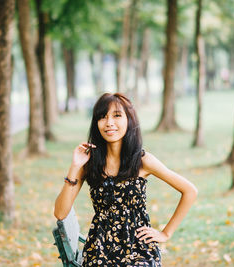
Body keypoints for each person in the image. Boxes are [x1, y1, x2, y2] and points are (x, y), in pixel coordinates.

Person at [54, 93, 198, 266]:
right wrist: (75, 167)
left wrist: (166, 233)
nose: (109, 123)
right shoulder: (89, 163)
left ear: (129, 120)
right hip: (100, 249)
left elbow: (190, 191)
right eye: (102, 117)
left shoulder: (142, 161)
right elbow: (60, 213)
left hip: (138, 247)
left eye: (117, 115)